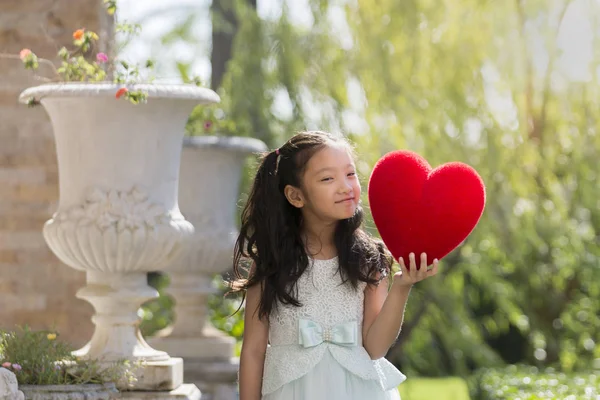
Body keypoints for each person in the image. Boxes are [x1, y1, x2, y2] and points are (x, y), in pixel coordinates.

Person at [230, 131, 439, 400]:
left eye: (350, 174)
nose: (345, 186)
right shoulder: (271, 263)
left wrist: (402, 287)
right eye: (328, 178)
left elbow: (374, 348)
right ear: (295, 196)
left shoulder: (368, 258)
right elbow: (253, 350)